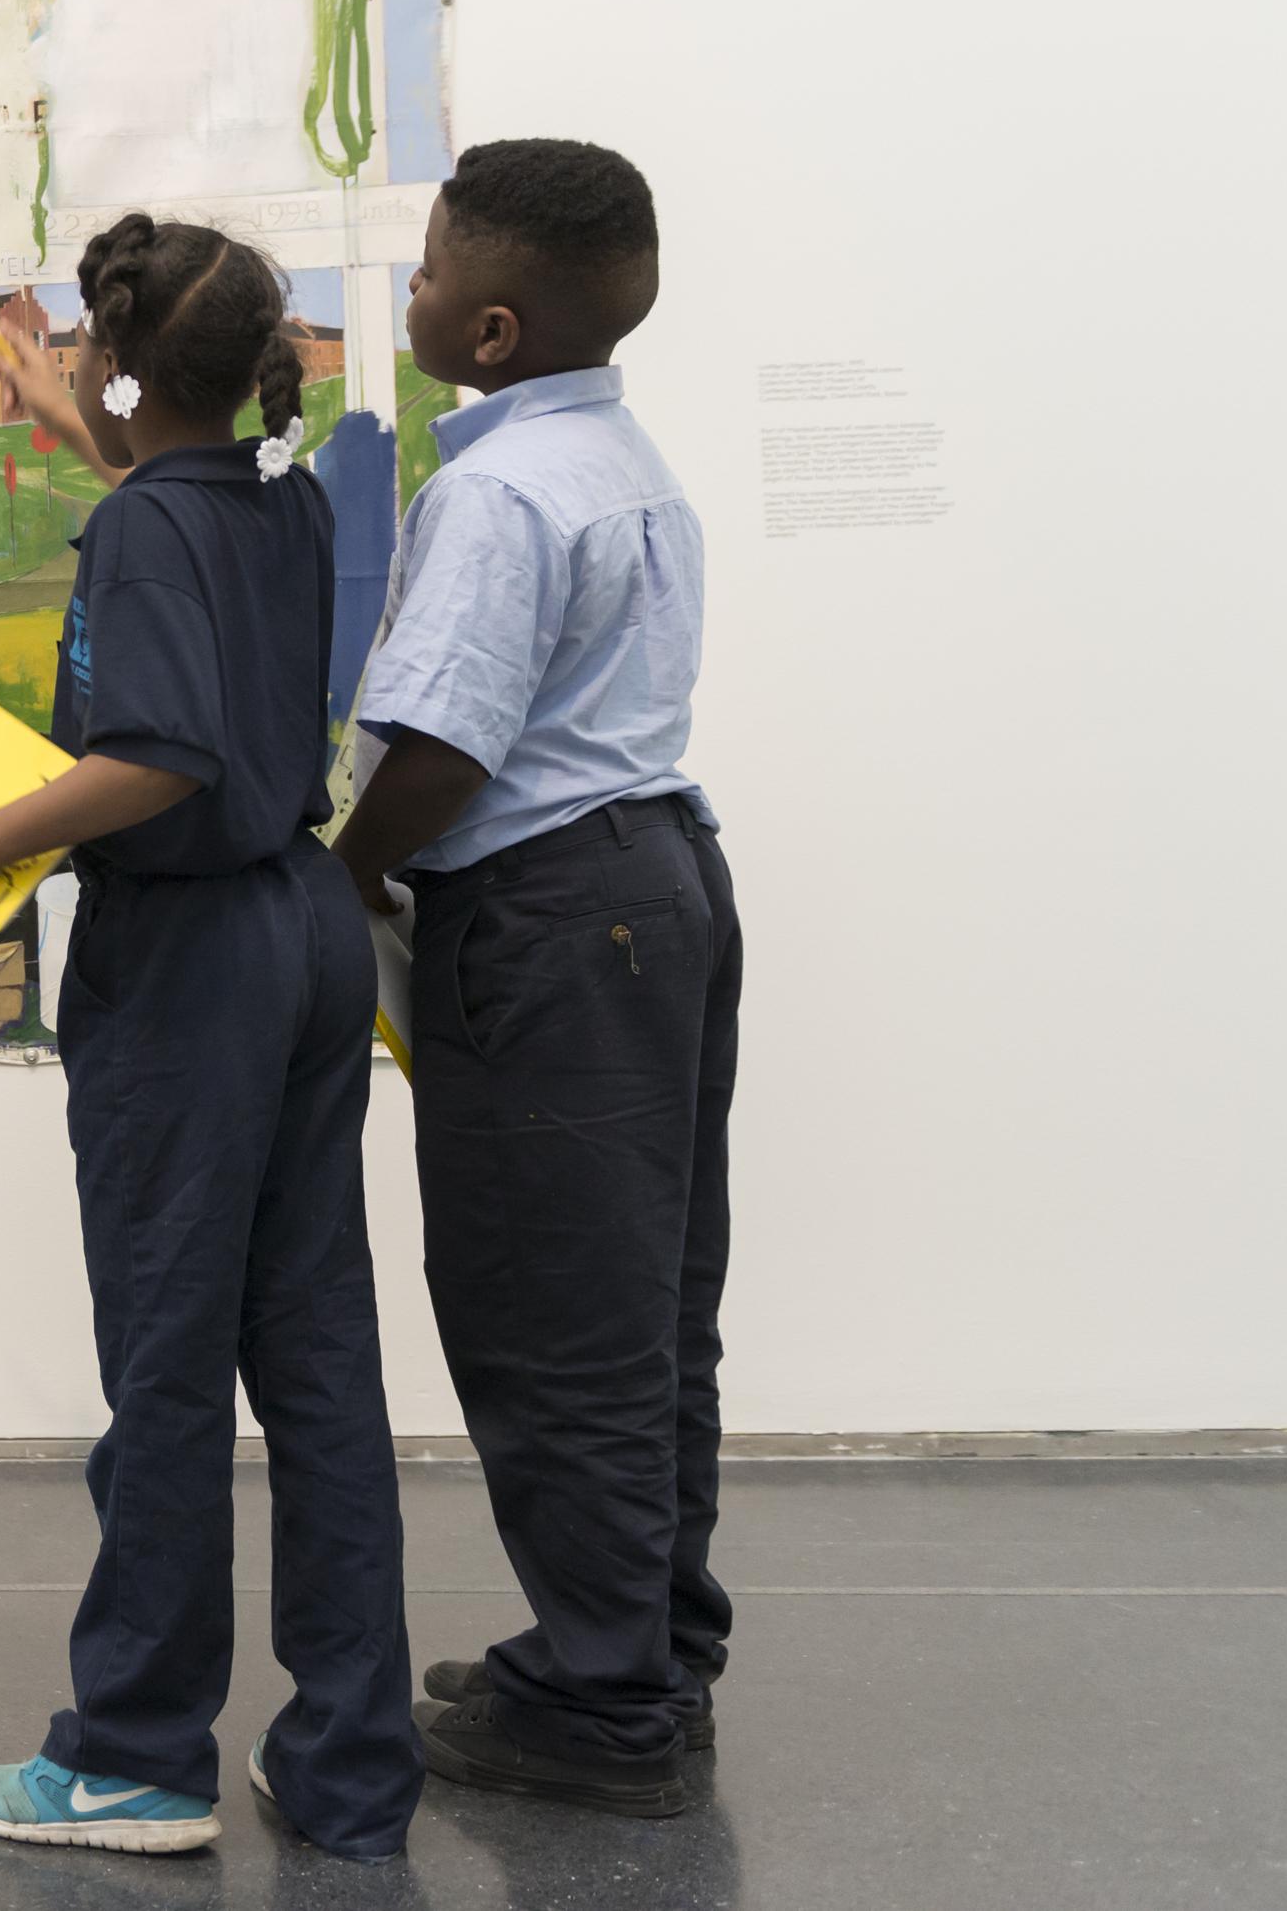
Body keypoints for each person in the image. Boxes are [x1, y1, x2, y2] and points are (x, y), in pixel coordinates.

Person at [0, 215, 421, 1861]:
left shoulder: (139, 532)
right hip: (310, 936)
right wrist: (99, 422)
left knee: (171, 1364)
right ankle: (345, 1758)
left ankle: (134, 1749)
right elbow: (183, 505)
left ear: (120, 368)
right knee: (317, 1353)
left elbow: (166, 754)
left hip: (190, 965)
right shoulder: (290, 493)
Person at [335, 138, 739, 1821]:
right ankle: (640, 1646)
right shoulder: (620, 457)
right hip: (660, 886)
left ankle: (600, 1708)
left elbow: (440, 744)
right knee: (646, 1306)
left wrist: (337, 864)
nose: (411, 292)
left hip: (556, 918)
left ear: (489, 327)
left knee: (546, 1314)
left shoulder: (495, 492)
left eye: (425, 270)